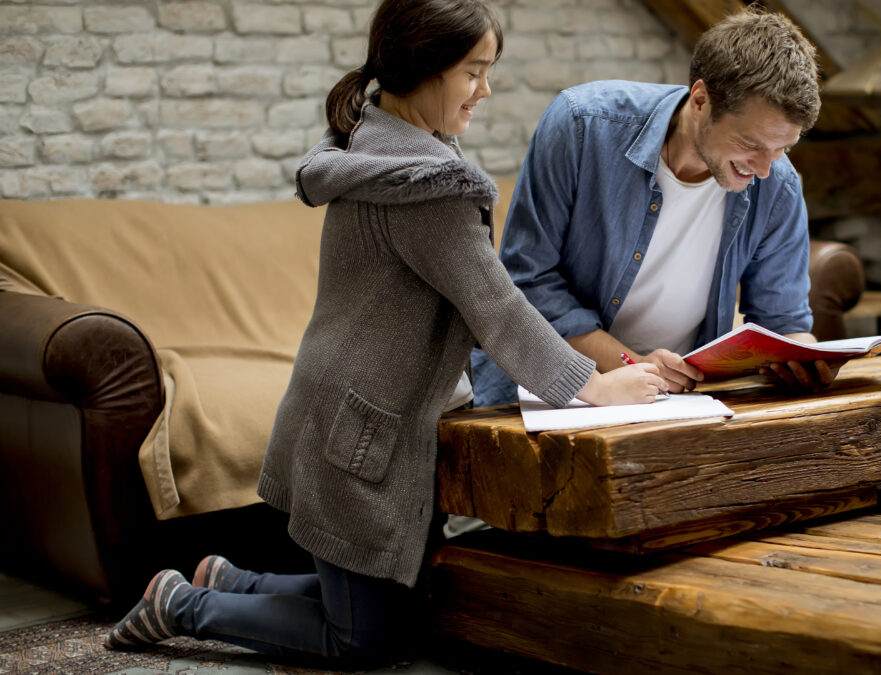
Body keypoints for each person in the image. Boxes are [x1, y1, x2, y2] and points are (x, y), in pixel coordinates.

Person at [103, 0, 665, 669]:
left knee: (393, 598)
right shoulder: (430, 184)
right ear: (426, 68)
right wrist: (596, 385)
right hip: (361, 432)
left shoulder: (370, 142)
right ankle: (182, 603)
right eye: (474, 72)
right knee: (365, 637)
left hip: (342, 408)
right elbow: (498, 309)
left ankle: (230, 579)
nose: (486, 89)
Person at [471, 8, 844, 408]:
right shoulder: (582, 126)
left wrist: (807, 354)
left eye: (783, 148)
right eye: (751, 145)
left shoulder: (779, 183)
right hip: (545, 395)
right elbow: (529, 281)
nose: (766, 169)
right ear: (700, 100)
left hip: (678, 404)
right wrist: (632, 364)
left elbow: (782, 320)